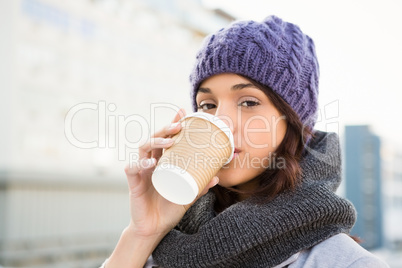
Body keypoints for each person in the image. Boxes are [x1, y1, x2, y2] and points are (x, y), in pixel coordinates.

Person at [100, 15, 389, 267]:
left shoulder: (345, 262)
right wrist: (142, 232)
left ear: (292, 123)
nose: (221, 120)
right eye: (207, 105)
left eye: (249, 102)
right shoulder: (161, 248)